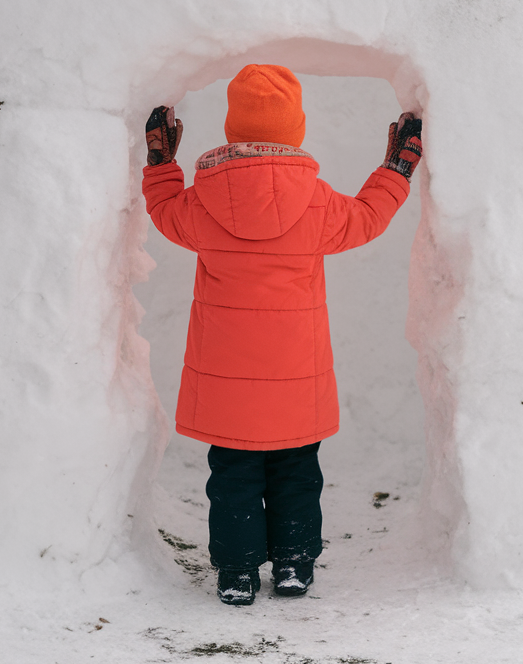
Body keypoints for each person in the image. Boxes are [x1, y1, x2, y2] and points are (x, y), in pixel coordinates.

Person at [142, 64, 422, 606]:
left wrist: (161, 163)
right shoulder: (316, 203)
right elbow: (367, 217)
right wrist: (396, 167)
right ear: (295, 129)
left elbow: (164, 212)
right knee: (296, 471)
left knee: (233, 476)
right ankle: (294, 564)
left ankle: (237, 573)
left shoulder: (203, 201)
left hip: (227, 383)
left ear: (232, 129)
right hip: (296, 374)